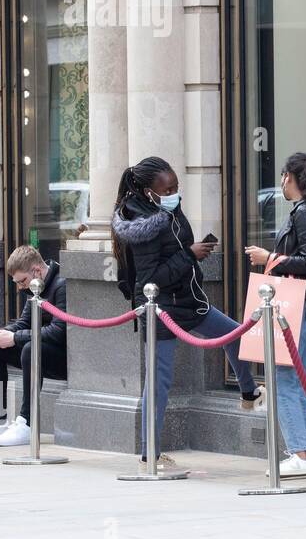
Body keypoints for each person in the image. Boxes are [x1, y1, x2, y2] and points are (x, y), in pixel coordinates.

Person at [111, 156, 264, 474]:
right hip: (161, 309)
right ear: (149, 191)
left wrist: (193, 250)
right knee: (159, 382)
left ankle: (248, 393)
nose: (174, 193)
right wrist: (189, 255)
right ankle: (148, 455)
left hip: (190, 301)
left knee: (235, 334)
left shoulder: (168, 210)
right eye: (168, 189)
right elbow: (149, 278)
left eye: (176, 186)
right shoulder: (144, 224)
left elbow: (175, 251)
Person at [244, 153, 306, 479]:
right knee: (303, 377)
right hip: (304, 301)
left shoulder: (305, 214)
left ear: (294, 180)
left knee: (284, 376)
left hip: (299, 302)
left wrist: (270, 257)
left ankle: (301, 452)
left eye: (285, 175)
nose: (282, 181)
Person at [0, 245, 68, 447]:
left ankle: (27, 423)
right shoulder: (36, 285)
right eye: (17, 283)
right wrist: (2, 333)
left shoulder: (61, 284)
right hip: (43, 352)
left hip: (67, 359)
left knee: (29, 349)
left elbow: (58, 332)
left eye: (22, 281)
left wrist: (15, 337)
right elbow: (23, 323)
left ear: (36, 270)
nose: (20, 287)